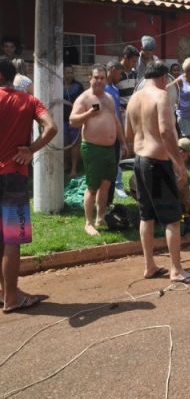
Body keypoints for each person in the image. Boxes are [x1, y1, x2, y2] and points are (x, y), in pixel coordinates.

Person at [125, 60, 190, 284]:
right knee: (172, 219)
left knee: (146, 215)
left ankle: (149, 265)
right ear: (163, 78)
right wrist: (178, 163)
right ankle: (176, 270)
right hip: (158, 163)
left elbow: (129, 133)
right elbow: (167, 131)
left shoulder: (133, 99)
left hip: (139, 161)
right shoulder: (161, 96)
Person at [0, 57, 57, 313]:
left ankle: (6, 292)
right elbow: (51, 127)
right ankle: (11, 297)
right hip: (14, 175)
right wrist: (31, 150)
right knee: (11, 238)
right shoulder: (30, 101)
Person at [69, 64, 127, 236]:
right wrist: (89, 114)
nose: (99, 81)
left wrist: (123, 142)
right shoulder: (84, 98)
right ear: (90, 78)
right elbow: (72, 120)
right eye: (96, 78)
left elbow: (116, 122)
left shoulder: (109, 97)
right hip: (92, 148)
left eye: (102, 78)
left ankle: (100, 217)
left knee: (106, 185)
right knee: (92, 187)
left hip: (110, 148)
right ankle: (88, 223)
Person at [105, 60, 128, 201]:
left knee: (113, 167)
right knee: (106, 170)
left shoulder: (115, 89)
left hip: (116, 133)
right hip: (105, 135)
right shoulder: (103, 90)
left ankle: (109, 200)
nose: (121, 77)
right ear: (112, 69)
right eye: (120, 73)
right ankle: (104, 200)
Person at [168, 57, 190, 140]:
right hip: (184, 116)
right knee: (186, 140)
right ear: (189, 69)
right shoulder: (180, 80)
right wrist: (175, 102)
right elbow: (168, 89)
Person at [63, 65, 85, 177]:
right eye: (67, 73)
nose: (70, 75)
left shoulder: (78, 86)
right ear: (63, 74)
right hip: (62, 120)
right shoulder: (58, 85)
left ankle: (74, 168)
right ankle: (65, 165)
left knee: (75, 144)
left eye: (71, 72)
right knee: (64, 143)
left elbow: (83, 101)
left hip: (75, 120)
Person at [116, 44, 140, 113]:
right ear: (125, 58)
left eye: (136, 61)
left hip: (131, 112)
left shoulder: (134, 73)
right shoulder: (115, 72)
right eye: (133, 61)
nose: (135, 64)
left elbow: (136, 92)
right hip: (119, 113)